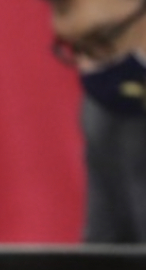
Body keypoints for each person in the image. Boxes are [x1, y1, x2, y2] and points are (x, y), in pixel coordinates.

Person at [43, 0, 146, 243]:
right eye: (76, 48)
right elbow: (106, 256)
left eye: (102, 39)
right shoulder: (106, 113)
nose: (88, 66)